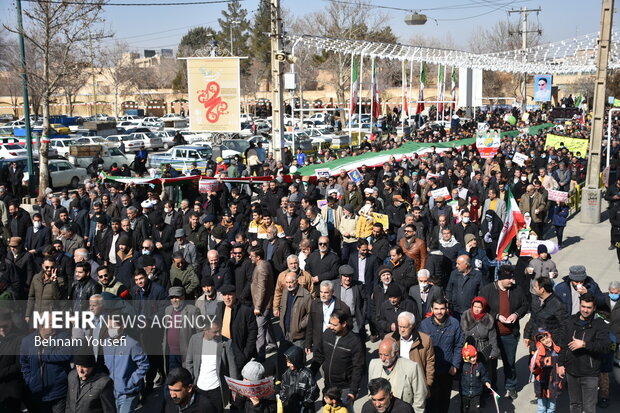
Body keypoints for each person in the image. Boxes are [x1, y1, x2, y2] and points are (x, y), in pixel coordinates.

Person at [479, 265, 528, 398]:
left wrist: (516, 315)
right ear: (501, 278)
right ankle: (491, 387)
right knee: (490, 364)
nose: (512, 281)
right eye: (510, 279)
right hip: (491, 335)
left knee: (510, 362)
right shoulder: (487, 290)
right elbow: (481, 308)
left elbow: (525, 305)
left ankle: (511, 386)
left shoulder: (517, 290)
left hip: (509, 334)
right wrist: (497, 316)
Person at [560, 293, 611, 413]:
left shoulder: (599, 325)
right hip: (572, 371)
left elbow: (605, 347)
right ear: (580, 306)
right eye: (583, 306)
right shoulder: (570, 322)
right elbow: (563, 345)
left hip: (590, 373)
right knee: (574, 404)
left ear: (594, 308)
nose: (585, 310)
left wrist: (584, 344)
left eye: (588, 307)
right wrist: (561, 364)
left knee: (589, 408)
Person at [311, 309, 365, 413]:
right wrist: (310, 374)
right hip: (328, 386)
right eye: (330, 323)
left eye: (335, 325)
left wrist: (353, 391)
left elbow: (358, 368)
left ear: (344, 324)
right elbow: (318, 356)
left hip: (344, 389)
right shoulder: (327, 334)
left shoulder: (355, 342)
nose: (331, 327)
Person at [419, 297, 464, 413]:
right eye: (436, 309)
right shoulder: (424, 325)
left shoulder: (454, 323)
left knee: (444, 401)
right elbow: (421, 349)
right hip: (430, 370)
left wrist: (455, 365)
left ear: (447, 309)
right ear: (431, 309)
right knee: (431, 402)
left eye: (442, 308)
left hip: (447, 370)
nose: (439, 312)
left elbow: (459, 345)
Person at [103, 315, 150, 413]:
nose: (110, 329)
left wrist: (131, 382)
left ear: (123, 326)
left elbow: (144, 365)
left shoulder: (132, 344)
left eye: (113, 326)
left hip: (127, 394)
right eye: (108, 326)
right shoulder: (106, 343)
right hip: (111, 393)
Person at [368, 337, 427, 412]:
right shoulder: (373, 364)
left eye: (386, 355)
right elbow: (370, 392)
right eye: (380, 354)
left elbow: (420, 396)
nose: (382, 358)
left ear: (396, 353)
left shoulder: (411, 367)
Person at [385, 311, 435, 388]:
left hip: (416, 382)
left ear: (412, 326)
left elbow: (430, 362)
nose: (401, 330)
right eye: (399, 326)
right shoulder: (389, 339)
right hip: (396, 381)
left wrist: (428, 382)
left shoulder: (425, 340)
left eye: (404, 327)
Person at [279, 345, 319, 413]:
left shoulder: (307, 374)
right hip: (289, 408)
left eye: (290, 362)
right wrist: (283, 399)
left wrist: (304, 404)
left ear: (296, 360)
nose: (287, 365)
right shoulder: (286, 374)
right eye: (287, 362)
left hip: (304, 409)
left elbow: (314, 392)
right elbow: (283, 388)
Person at [531, 329, 563, 413]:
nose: (546, 340)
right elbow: (534, 370)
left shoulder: (557, 350)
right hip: (542, 383)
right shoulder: (538, 353)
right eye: (543, 340)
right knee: (542, 407)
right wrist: (534, 366)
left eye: (547, 337)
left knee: (552, 407)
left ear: (550, 336)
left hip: (554, 382)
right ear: (540, 342)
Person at [279, 271, 312, 348]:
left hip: (298, 336)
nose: (288, 285)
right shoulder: (285, 292)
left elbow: (310, 313)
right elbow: (282, 308)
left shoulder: (306, 295)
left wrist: (300, 325)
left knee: (297, 358)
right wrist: (281, 322)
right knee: (281, 358)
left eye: (290, 282)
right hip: (285, 332)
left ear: (297, 282)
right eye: (286, 282)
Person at [445, 255, 483, 320]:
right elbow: (449, 290)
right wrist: (449, 304)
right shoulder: (454, 274)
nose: (456, 265)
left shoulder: (477, 275)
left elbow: (482, 292)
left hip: (470, 310)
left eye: (458, 264)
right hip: (455, 309)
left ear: (466, 265)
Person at [459, 344, 492, 413]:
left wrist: (486, 381)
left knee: (475, 410)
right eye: (470, 357)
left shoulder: (480, 366)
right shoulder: (462, 366)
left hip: (476, 393)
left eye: (474, 356)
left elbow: (484, 375)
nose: (473, 359)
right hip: (465, 393)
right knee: (464, 409)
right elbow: (457, 376)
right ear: (465, 358)